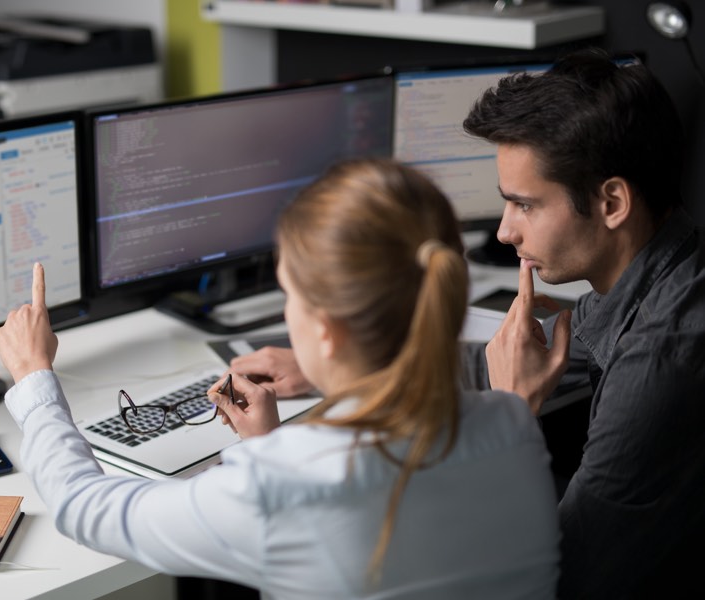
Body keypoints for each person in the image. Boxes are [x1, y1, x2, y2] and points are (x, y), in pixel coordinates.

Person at [233, 49, 705, 599]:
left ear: (612, 202)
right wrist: (345, 365)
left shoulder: (663, 360)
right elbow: (521, 354)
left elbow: (559, 578)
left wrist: (512, 412)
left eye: (524, 206)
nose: (505, 232)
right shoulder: (654, 274)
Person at [0, 158, 560, 599]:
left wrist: (33, 375)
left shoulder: (284, 482)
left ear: (327, 331)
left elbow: (85, 509)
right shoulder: (512, 420)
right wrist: (268, 447)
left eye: (290, 295)